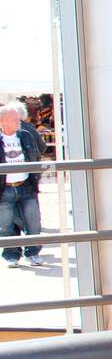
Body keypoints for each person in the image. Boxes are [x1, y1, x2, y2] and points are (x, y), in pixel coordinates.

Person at [1, 102, 46, 267]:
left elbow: (37, 153)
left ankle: (33, 253)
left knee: (33, 221)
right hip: (4, 189)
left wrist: (35, 177)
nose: (19, 121)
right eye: (15, 119)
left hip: (26, 185)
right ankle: (11, 255)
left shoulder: (25, 135)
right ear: (3, 121)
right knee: (5, 225)